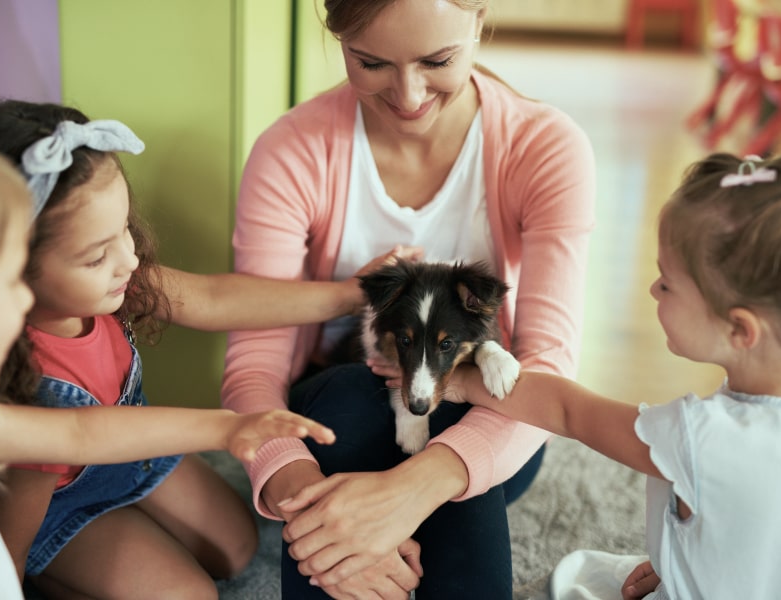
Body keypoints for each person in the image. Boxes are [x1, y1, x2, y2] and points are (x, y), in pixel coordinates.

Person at [0, 99, 409, 600]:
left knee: (237, 549)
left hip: (135, 454)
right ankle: (60, 574)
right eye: (97, 256)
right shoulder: (19, 378)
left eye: (124, 229)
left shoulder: (116, 286)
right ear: (13, 265)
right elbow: (21, 521)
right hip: (60, 506)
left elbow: (217, 298)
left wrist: (348, 294)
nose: (128, 259)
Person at [221, 0, 596, 597]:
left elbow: (547, 367)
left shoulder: (543, 148)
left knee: (452, 403)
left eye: (437, 60)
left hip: (488, 421)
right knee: (351, 395)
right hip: (336, 414)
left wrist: (415, 487)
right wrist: (304, 503)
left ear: (480, 19)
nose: (408, 95)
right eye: (370, 63)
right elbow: (253, 370)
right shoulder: (292, 151)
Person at [448, 132, 781, 598]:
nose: (653, 290)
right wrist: (686, 561)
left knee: (568, 583)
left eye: (667, 284)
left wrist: (464, 380)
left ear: (741, 330)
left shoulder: (701, 436)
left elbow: (567, 410)